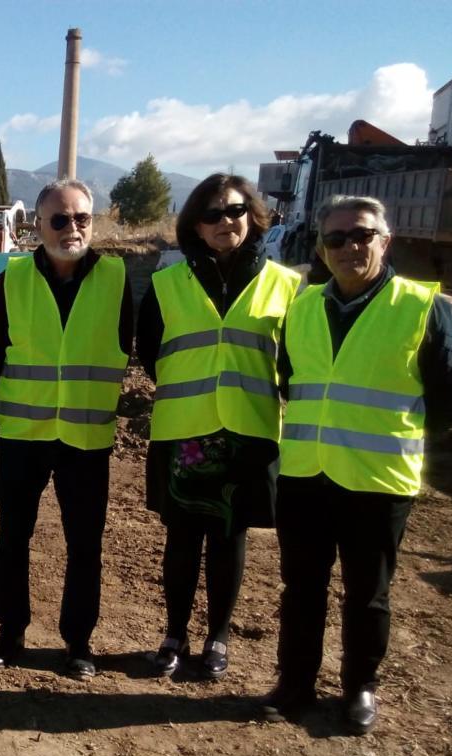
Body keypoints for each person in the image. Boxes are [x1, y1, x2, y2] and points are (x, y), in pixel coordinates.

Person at [262, 195, 452, 734]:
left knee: (367, 593)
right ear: (321, 248)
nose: (351, 246)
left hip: (378, 480)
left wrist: (394, 437)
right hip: (307, 473)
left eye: (362, 235)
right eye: (337, 239)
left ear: (385, 239)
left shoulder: (422, 307)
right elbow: (291, 379)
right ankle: (296, 682)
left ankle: (359, 688)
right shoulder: (303, 307)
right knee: (301, 586)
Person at [136, 174, 301, 679]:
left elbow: (294, 362)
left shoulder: (287, 286)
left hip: (248, 434)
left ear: (252, 215)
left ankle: (218, 638)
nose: (224, 221)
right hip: (184, 432)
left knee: (230, 539)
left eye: (233, 210)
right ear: (196, 226)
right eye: (211, 214)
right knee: (181, 539)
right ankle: (174, 634)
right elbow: (149, 355)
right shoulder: (167, 284)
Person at [0, 179, 133, 678]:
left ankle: (78, 643)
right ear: (38, 225)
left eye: (82, 219)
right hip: (24, 435)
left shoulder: (116, 278)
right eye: (60, 219)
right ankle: (10, 632)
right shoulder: (12, 280)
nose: (72, 228)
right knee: (12, 538)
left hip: (86, 439)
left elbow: (125, 346)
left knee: (85, 542)